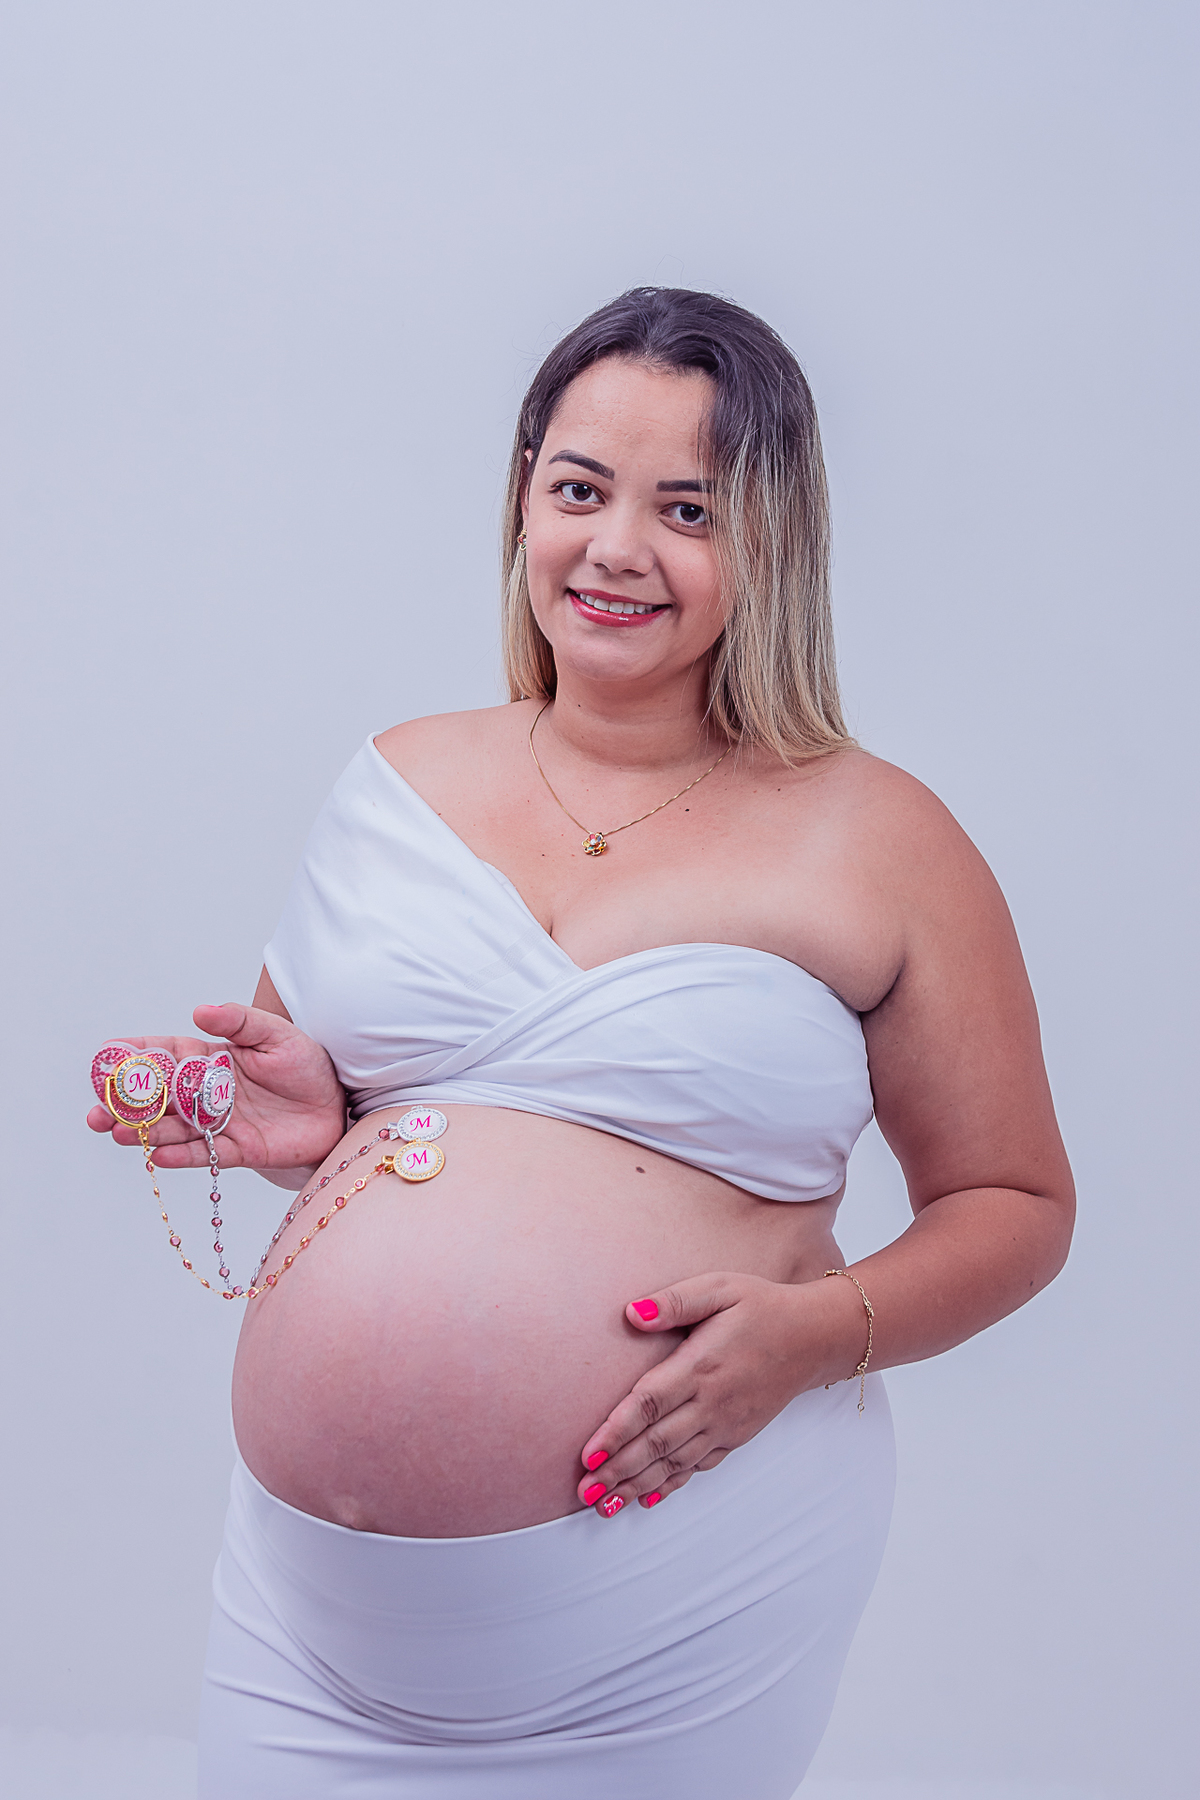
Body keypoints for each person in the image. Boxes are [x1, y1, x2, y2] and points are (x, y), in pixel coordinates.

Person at [89, 286, 1075, 1799]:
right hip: (306, 1625)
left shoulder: (884, 838)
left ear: (772, 538)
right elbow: (365, 1126)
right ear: (523, 500)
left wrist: (817, 1334)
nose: (616, 549)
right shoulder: (396, 779)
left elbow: (1016, 1205)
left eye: (687, 509)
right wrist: (313, 1124)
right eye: (578, 489)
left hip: (677, 1601)